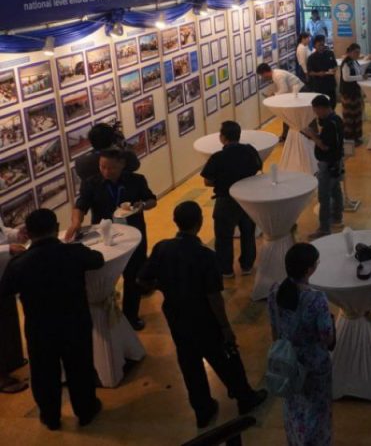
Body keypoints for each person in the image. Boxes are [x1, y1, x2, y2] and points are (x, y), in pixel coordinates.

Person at [138, 202, 267, 428]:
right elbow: (214, 297)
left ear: (175, 222)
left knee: (189, 363)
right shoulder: (206, 256)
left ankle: (203, 409)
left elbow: (142, 280)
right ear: (200, 222)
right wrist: (225, 327)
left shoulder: (162, 248)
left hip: (176, 318)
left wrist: (164, 286)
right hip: (203, 318)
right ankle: (244, 397)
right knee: (225, 357)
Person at [0, 209, 104, 430]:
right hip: (75, 323)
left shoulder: (19, 264)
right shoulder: (74, 252)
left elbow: (5, 289)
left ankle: (50, 417)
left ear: (29, 233)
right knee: (80, 367)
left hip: (39, 328)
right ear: (56, 228)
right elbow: (98, 260)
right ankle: (86, 411)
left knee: (43, 373)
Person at [69, 149, 156, 330]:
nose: (106, 171)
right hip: (105, 237)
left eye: (111, 168)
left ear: (122, 165)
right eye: (102, 167)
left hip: (134, 234)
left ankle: (131, 317)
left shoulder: (136, 180)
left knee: (133, 276)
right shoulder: (91, 183)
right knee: (105, 276)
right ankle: (107, 317)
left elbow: (151, 200)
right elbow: (81, 205)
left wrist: (142, 205)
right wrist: (76, 222)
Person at [268, 243, 335, 446]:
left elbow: (275, 329)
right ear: (309, 270)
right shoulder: (316, 299)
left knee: (293, 406)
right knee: (317, 410)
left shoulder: (275, 291)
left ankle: (296, 440)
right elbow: (327, 338)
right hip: (314, 364)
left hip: (288, 362)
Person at [201, 121, 264, 279]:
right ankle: (247, 265)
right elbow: (258, 167)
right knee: (248, 233)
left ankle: (226, 269)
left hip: (225, 200)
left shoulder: (218, 157)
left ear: (223, 137)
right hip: (247, 199)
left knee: (223, 237)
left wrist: (223, 182)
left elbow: (207, 181)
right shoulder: (249, 150)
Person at [302, 95, 345, 240]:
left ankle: (324, 229)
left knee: (324, 196)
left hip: (328, 164)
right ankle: (337, 217)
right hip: (336, 162)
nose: (316, 114)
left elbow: (325, 146)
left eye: (316, 111)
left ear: (322, 108)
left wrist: (312, 135)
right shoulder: (336, 120)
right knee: (336, 190)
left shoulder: (330, 125)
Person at [0, 224, 28, 395]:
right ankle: (2, 378)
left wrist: (17, 234)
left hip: (3, 272)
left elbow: (1, 231)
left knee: (7, 321)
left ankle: (12, 361)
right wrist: (7, 249)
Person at [73, 121, 140, 183]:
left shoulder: (80, 162)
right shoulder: (123, 157)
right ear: (112, 139)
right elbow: (135, 165)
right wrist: (122, 143)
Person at [257, 62, 305, 141]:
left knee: (289, 115)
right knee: (286, 115)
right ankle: (286, 136)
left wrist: (274, 95)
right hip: (295, 93)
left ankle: (291, 136)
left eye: (262, 75)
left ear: (265, 72)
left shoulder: (278, 76)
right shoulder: (276, 74)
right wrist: (275, 94)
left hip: (300, 92)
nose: (263, 78)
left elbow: (284, 90)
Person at [339, 43, 366, 145]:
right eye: (355, 52)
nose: (357, 54)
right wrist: (361, 77)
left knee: (357, 115)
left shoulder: (354, 61)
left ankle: (356, 137)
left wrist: (362, 76)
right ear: (350, 52)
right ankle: (349, 138)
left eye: (358, 52)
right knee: (349, 116)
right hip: (348, 93)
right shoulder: (346, 63)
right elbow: (346, 78)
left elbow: (357, 73)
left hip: (355, 91)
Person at [306, 35, 339, 109]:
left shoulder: (330, 53)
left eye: (323, 44)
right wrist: (318, 73)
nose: (321, 47)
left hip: (330, 83)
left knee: (332, 103)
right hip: (319, 85)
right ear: (314, 46)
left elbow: (335, 65)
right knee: (322, 106)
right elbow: (310, 72)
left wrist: (334, 69)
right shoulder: (311, 58)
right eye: (319, 45)